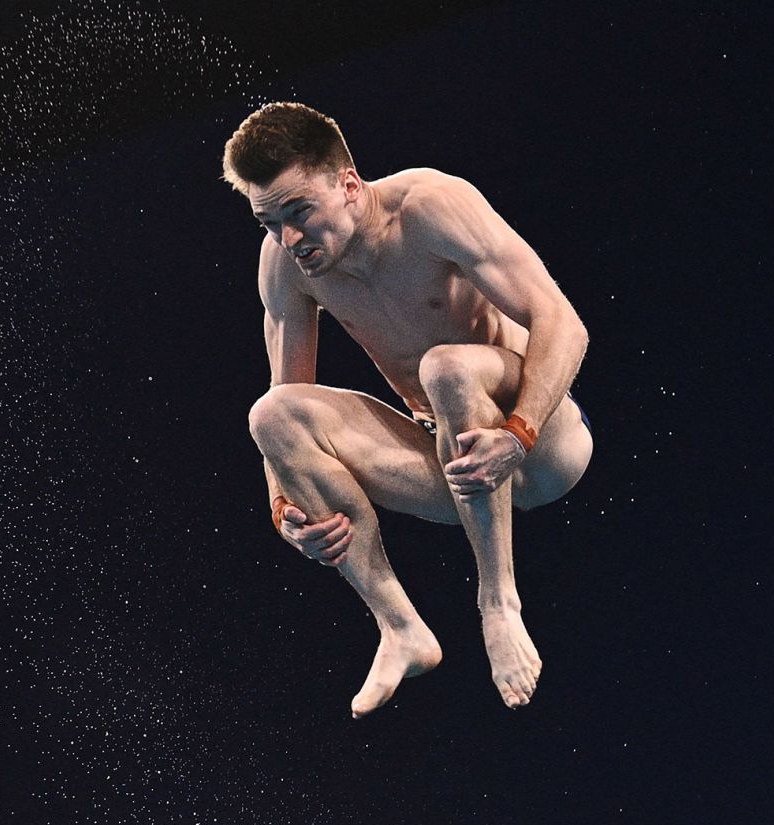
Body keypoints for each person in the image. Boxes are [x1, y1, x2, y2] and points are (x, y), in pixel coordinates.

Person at [222, 102, 592, 717]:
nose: (289, 239)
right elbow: (287, 395)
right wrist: (285, 510)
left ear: (348, 185)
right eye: (268, 223)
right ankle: (399, 627)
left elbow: (565, 323)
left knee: (446, 366)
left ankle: (498, 602)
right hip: (458, 471)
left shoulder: (429, 206)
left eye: (299, 213)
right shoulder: (285, 266)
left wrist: (520, 432)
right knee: (271, 417)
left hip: (540, 443)